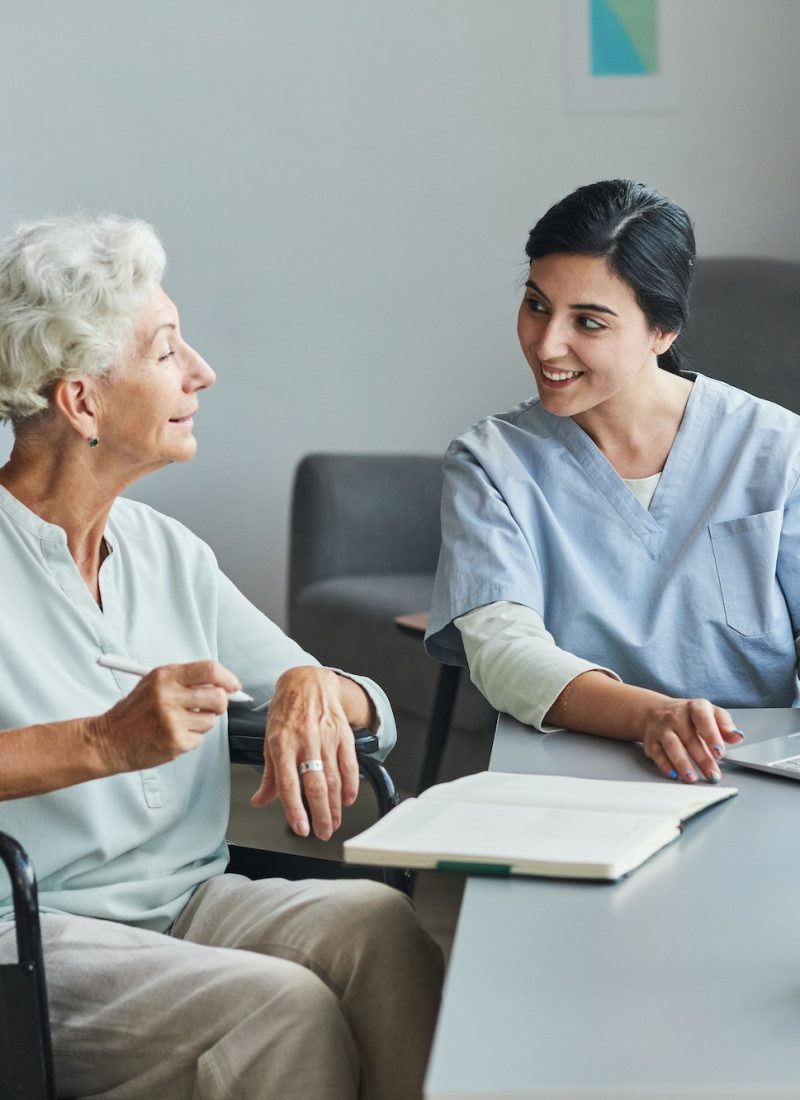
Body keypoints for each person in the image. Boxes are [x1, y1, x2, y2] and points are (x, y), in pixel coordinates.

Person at [0, 214, 442, 1099]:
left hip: (188, 902)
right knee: (282, 1009)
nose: (201, 371)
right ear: (81, 401)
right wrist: (104, 742)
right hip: (30, 933)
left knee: (382, 927)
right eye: (167, 351)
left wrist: (313, 684)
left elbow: (373, 716)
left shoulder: (169, 552)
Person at [426, 179, 800, 786]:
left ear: (663, 332)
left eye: (589, 322)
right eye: (537, 305)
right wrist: (652, 716)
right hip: (569, 770)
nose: (547, 344)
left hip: (754, 767)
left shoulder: (776, 448)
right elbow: (505, 653)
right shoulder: (490, 462)